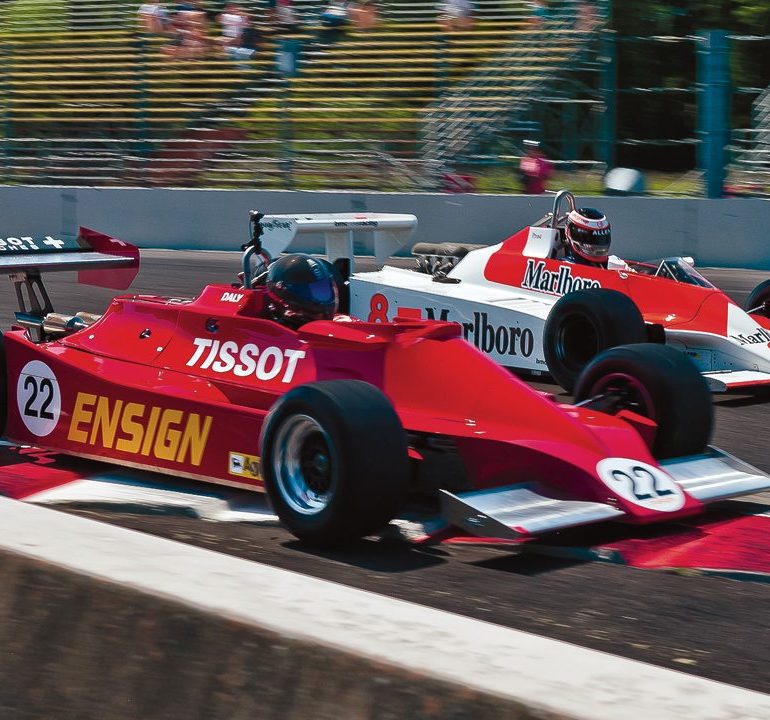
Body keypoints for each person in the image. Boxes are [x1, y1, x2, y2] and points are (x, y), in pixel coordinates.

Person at [264, 254, 339, 329]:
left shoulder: (341, 321)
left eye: (324, 289)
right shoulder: (269, 332)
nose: (323, 296)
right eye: (307, 293)